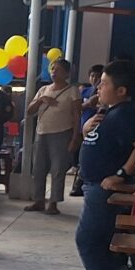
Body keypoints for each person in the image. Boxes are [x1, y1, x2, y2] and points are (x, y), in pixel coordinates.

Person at [65, 60, 135, 270]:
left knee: (88, 239)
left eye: (104, 84)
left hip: (104, 188)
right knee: (98, 241)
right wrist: (86, 129)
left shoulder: (124, 113)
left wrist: (120, 174)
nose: (98, 88)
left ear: (121, 90)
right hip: (93, 185)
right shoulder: (110, 112)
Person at [24, 59, 82, 215]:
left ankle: (53, 202)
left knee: (57, 169)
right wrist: (41, 100)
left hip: (62, 132)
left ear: (67, 73)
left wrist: (75, 137)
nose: (54, 72)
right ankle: (38, 200)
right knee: (38, 168)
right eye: (52, 69)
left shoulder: (72, 91)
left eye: (58, 70)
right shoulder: (44, 89)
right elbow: (29, 111)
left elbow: (77, 115)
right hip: (41, 132)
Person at [71, 64, 105, 197]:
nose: (95, 79)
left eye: (98, 76)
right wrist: (88, 103)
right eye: (92, 76)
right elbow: (76, 107)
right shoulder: (85, 91)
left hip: (97, 128)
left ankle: (81, 182)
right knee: (81, 153)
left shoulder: (104, 92)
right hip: (82, 126)